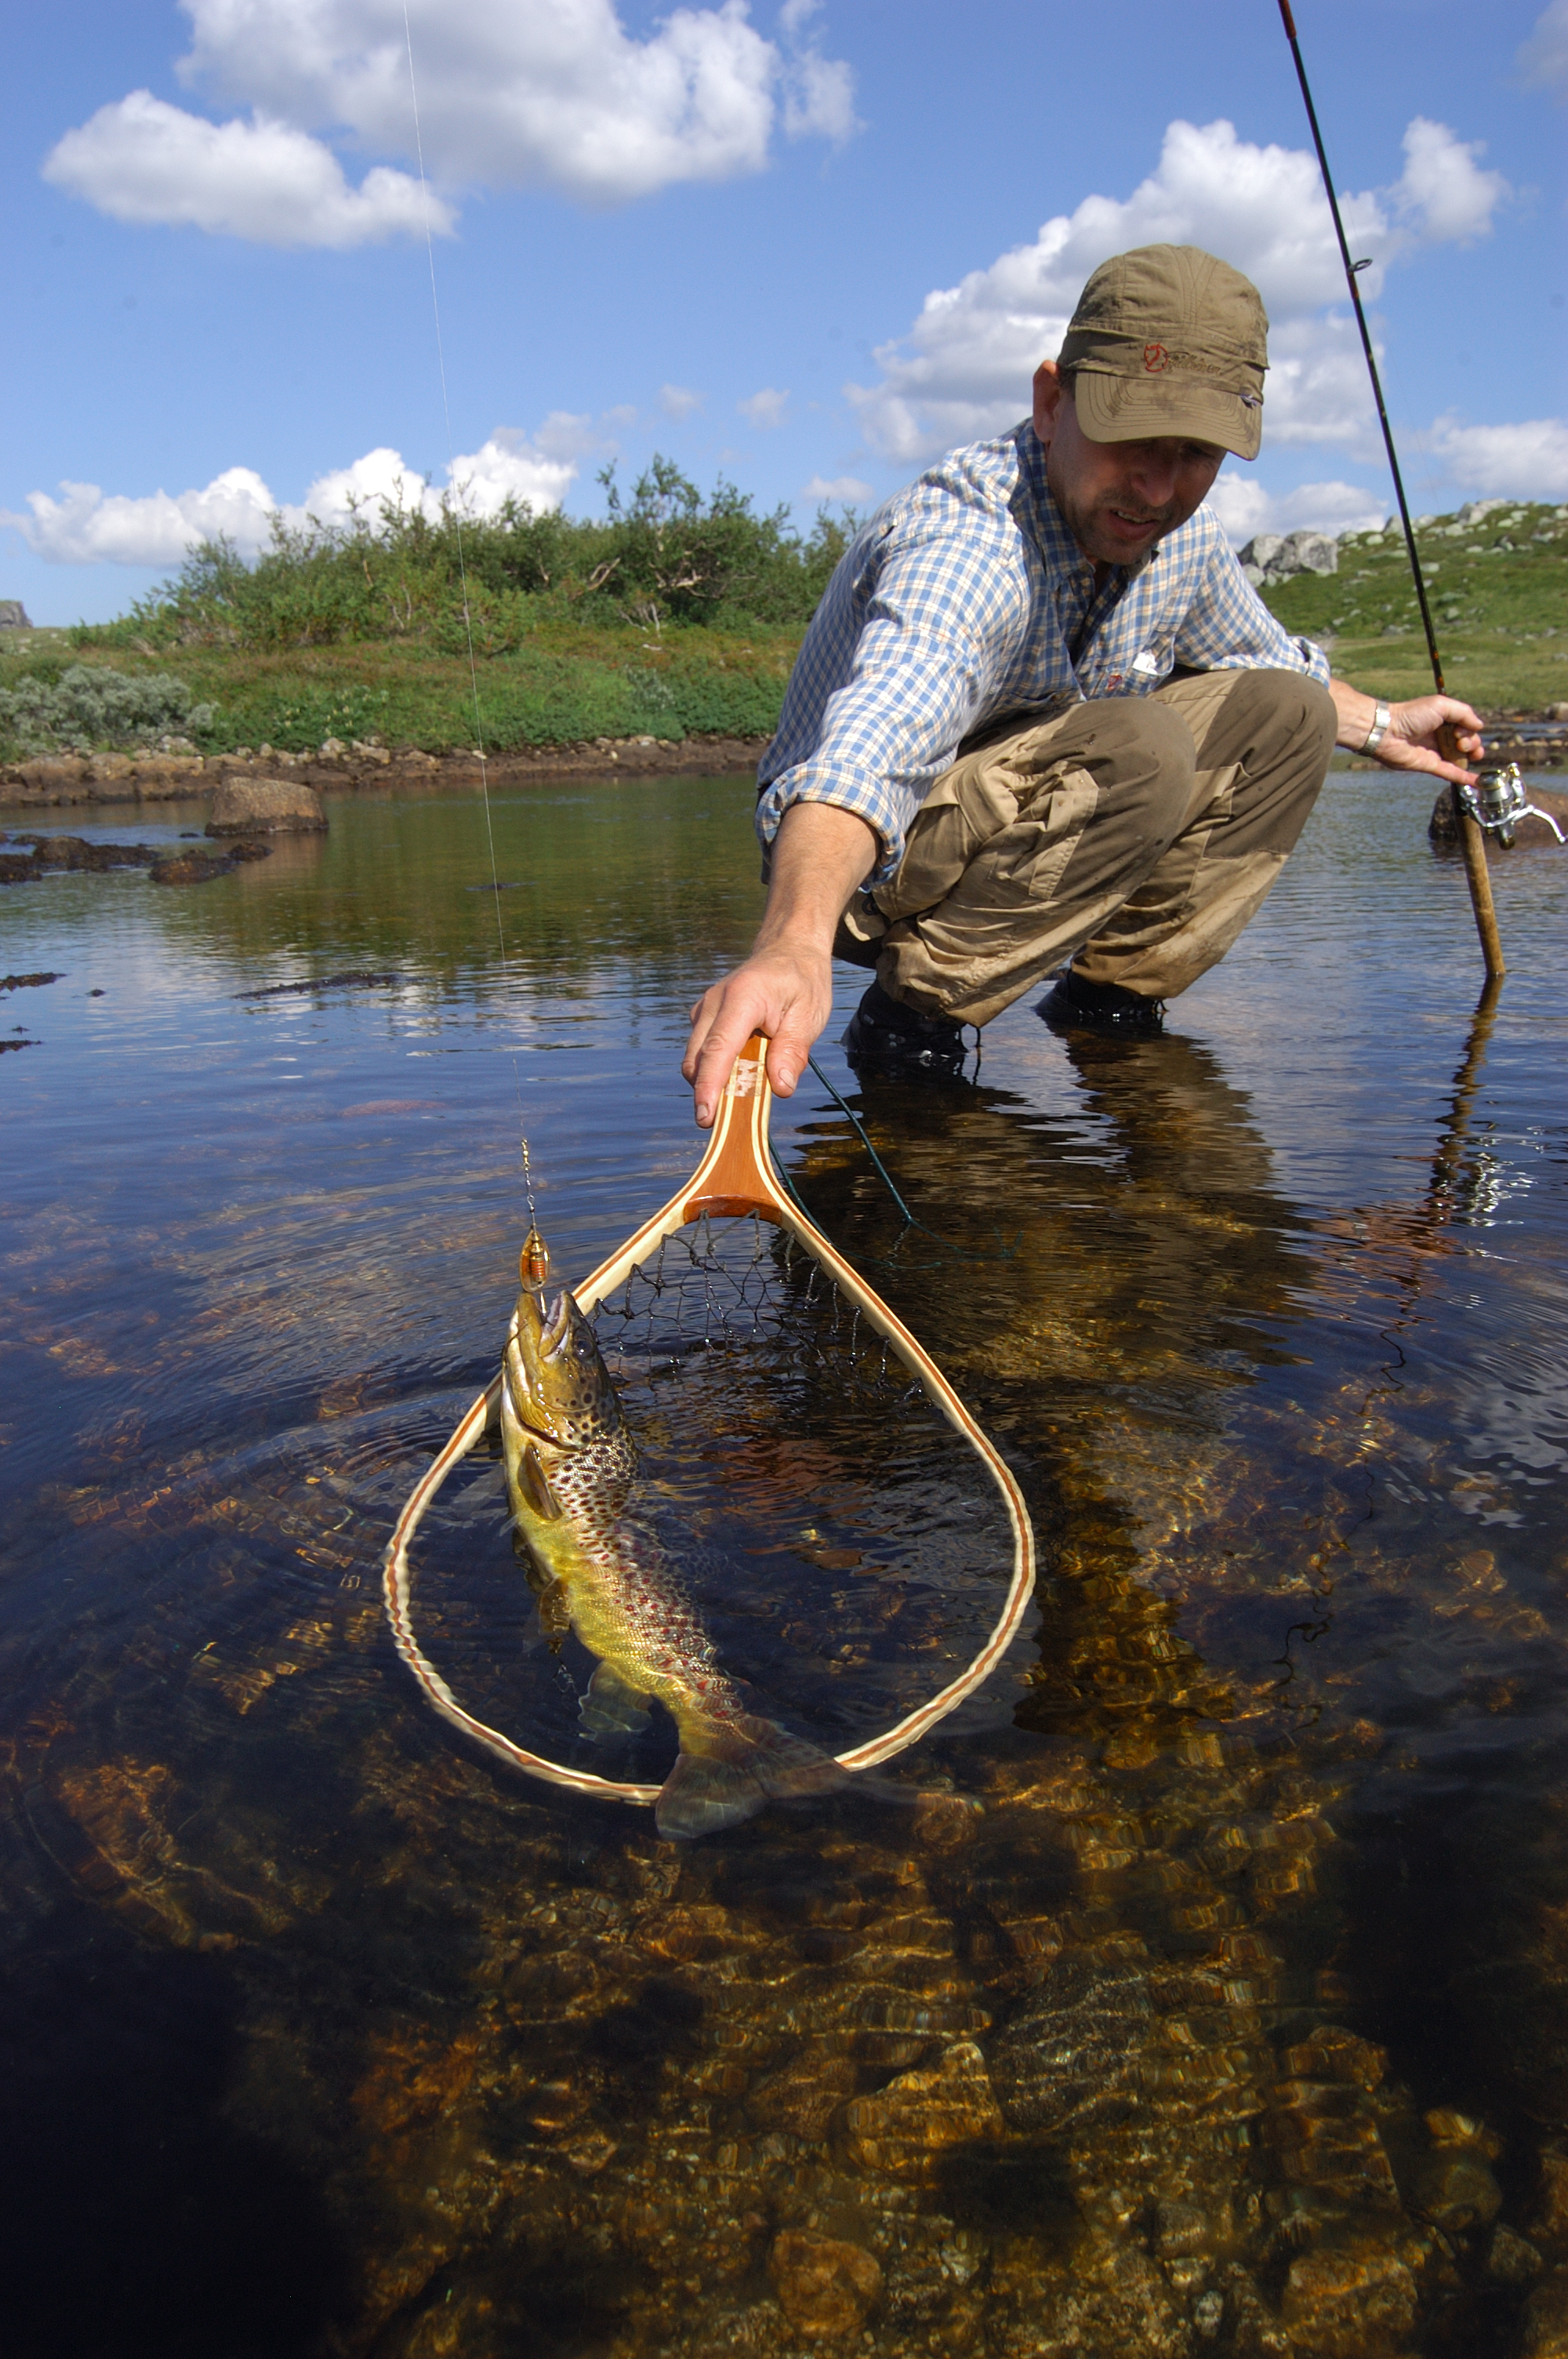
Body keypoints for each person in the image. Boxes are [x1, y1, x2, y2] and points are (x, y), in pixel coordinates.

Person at [683, 243, 1483, 1124]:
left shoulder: (1180, 534)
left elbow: (1268, 665)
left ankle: (1108, 1009)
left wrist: (1382, 725)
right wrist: (790, 942)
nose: (1154, 486)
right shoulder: (967, 546)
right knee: (1140, 746)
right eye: (1131, 439)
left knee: (1285, 711)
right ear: (1049, 402)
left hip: (1002, 822)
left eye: (1194, 451)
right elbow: (868, 749)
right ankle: (910, 1017)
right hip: (860, 875)